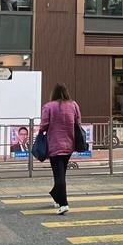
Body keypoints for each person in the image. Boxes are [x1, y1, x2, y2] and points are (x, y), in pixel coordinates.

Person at [39, 82, 81, 215]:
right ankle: (56, 196)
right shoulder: (74, 105)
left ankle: (63, 203)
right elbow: (78, 122)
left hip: (54, 145)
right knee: (61, 173)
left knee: (58, 175)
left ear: (54, 93)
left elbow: (43, 125)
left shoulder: (48, 106)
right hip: (69, 143)